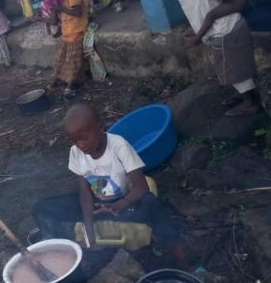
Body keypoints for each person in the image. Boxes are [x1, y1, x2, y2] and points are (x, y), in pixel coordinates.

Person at [32, 105, 189, 269]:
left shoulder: (119, 147)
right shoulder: (76, 153)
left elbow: (141, 187)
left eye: (84, 138)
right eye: (75, 141)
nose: (80, 145)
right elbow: (85, 194)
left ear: (100, 127)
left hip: (126, 203)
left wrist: (119, 204)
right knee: (42, 209)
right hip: (97, 205)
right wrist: (89, 228)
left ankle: (184, 263)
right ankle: (63, 260)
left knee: (154, 206)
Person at [153, 0, 260, 116]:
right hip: (222, 29)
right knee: (229, 66)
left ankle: (250, 103)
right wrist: (196, 29)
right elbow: (200, 3)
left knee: (232, 67)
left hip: (225, 29)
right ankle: (243, 95)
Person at [51, 0, 88, 98]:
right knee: (61, 59)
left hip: (76, 34)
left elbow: (77, 13)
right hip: (68, 35)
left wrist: (60, 8)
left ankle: (71, 85)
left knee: (73, 62)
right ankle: (59, 79)